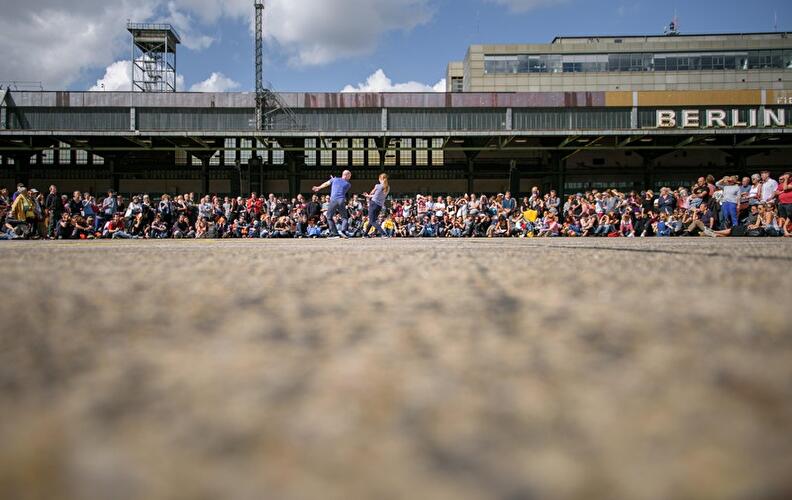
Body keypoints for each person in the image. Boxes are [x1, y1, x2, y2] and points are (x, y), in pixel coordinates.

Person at [312, 170, 352, 239]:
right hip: (341, 200)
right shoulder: (348, 184)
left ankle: (335, 233)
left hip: (333, 200)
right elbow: (340, 188)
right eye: (349, 176)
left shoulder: (334, 179)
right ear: (346, 175)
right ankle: (343, 231)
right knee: (344, 217)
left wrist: (318, 187)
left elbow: (326, 184)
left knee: (329, 217)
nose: (350, 178)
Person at [363, 173, 389, 238]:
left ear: (380, 179)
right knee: (372, 220)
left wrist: (368, 195)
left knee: (372, 221)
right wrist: (369, 196)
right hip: (379, 205)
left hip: (373, 203)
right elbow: (379, 196)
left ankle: (384, 234)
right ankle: (365, 234)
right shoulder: (388, 187)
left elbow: (373, 194)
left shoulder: (377, 186)